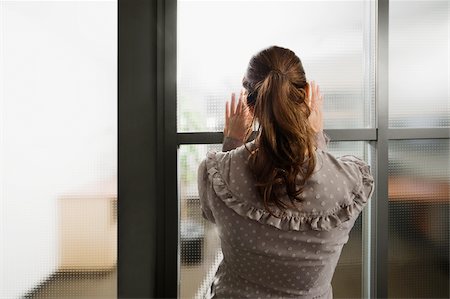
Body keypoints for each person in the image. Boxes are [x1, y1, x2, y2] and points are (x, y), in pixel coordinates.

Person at [197, 45, 375, 298]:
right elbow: (317, 169)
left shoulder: (217, 173)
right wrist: (316, 137)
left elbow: (212, 214)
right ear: (305, 97)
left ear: (250, 103)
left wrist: (232, 144)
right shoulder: (349, 181)